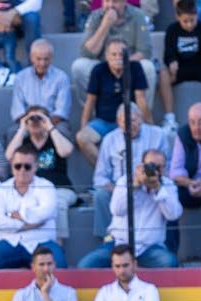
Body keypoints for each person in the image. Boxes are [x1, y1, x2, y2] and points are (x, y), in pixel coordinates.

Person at [81, 148, 182, 268]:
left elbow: (173, 215)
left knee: (169, 262)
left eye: (159, 167)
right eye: (151, 166)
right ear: (141, 165)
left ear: (164, 168)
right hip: (119, 244)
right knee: (86, 265)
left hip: (149, 248)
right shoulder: (125, 181)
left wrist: (158, 189)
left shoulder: (168, 185)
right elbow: (116, 210)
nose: (154, 171)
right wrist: (135, 186)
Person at [0, 145, 63, 267]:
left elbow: (47, 212)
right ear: (12, 167)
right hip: (10, 242)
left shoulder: (47, 186)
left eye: (27, 166)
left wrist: (16, 215)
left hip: (42, 242)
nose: (22, 170)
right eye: (18, 166)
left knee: (59, 261)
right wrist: (30, 224)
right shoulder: (0, 190)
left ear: (35, 167)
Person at [91, 104, 166, 239]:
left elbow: (168, 169)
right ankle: (107, 240)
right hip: (118, 189)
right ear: (118, 122)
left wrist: (152, 182)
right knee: (100, 195)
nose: (130, 125)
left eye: (133, 120)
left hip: (149, 186)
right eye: (125, 122)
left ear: (141, 118)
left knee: (167, 193)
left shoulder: (158, 135)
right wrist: (115, 189)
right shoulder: (109, 140)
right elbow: (100, 177)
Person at [5, 105, 75, 245]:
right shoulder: (23, 143)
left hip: (59, 188)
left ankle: (57, 245)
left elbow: (66, 151)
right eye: (31, 119)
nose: (36, 122)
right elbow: (9, 156)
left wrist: (50, 127)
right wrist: (22, 128)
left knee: (57, 203)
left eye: (40, 118)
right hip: (31, 191)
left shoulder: (55, 139)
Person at [76, 38, 152, 167]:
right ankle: (106, 171)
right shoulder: (99, 70)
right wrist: (83, 126)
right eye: (114, 54)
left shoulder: (135, 68)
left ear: (128, 54)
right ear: (106, 56)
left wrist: (150, 126)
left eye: (122, 54)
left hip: (128, 121)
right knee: (82, 138)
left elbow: (141, 100)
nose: (118, 58)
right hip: (104, 122)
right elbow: (90, 101)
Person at [72, 0, 157, 104]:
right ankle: (94, 115)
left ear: (124, 2)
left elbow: (145, 51)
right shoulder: (95, 16)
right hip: (103, 67)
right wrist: (105, 25)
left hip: (129, 65)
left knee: (148, 67)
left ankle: (141, 116)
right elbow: (86, 53)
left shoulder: (138, 15)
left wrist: (121, 63)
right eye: (107, 1)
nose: (110, 6)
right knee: (79, 66)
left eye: (115, 2)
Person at [159, 0, 201, 127]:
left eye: (192, 20)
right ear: (177, 17)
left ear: (197, 16)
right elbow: (168, 52)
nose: (189, 24)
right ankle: (170, 118)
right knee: (163, 73)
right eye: (185, 21)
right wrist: (171, 62)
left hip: (200, 68)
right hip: (180, 69)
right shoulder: (172, 30)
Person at [9, 39, 71, 132]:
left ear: (52, 58)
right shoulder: (20, 77)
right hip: (28, 122)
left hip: (53, 122)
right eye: (38, 59)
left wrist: (45, 126)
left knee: (63, 131)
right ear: (31, 57)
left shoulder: (61, 77)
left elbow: (61, 111)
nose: (42, 63)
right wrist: (32, 126)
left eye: (46, 59)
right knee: (12, 132)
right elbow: (18, 111)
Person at [10, 245, 78, 301]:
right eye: (41, 264)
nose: (46, 269)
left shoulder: (69, 293)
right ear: (33, 267)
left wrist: (45, 294)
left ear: (54, 265)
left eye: (49, 264)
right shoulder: (21, 295)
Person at [93, 244, 161, 301]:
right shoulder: (104, 292)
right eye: (117, 266)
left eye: (125, 265)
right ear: (112, 267)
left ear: (134, 264)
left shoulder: (149, 290)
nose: (122, 271)